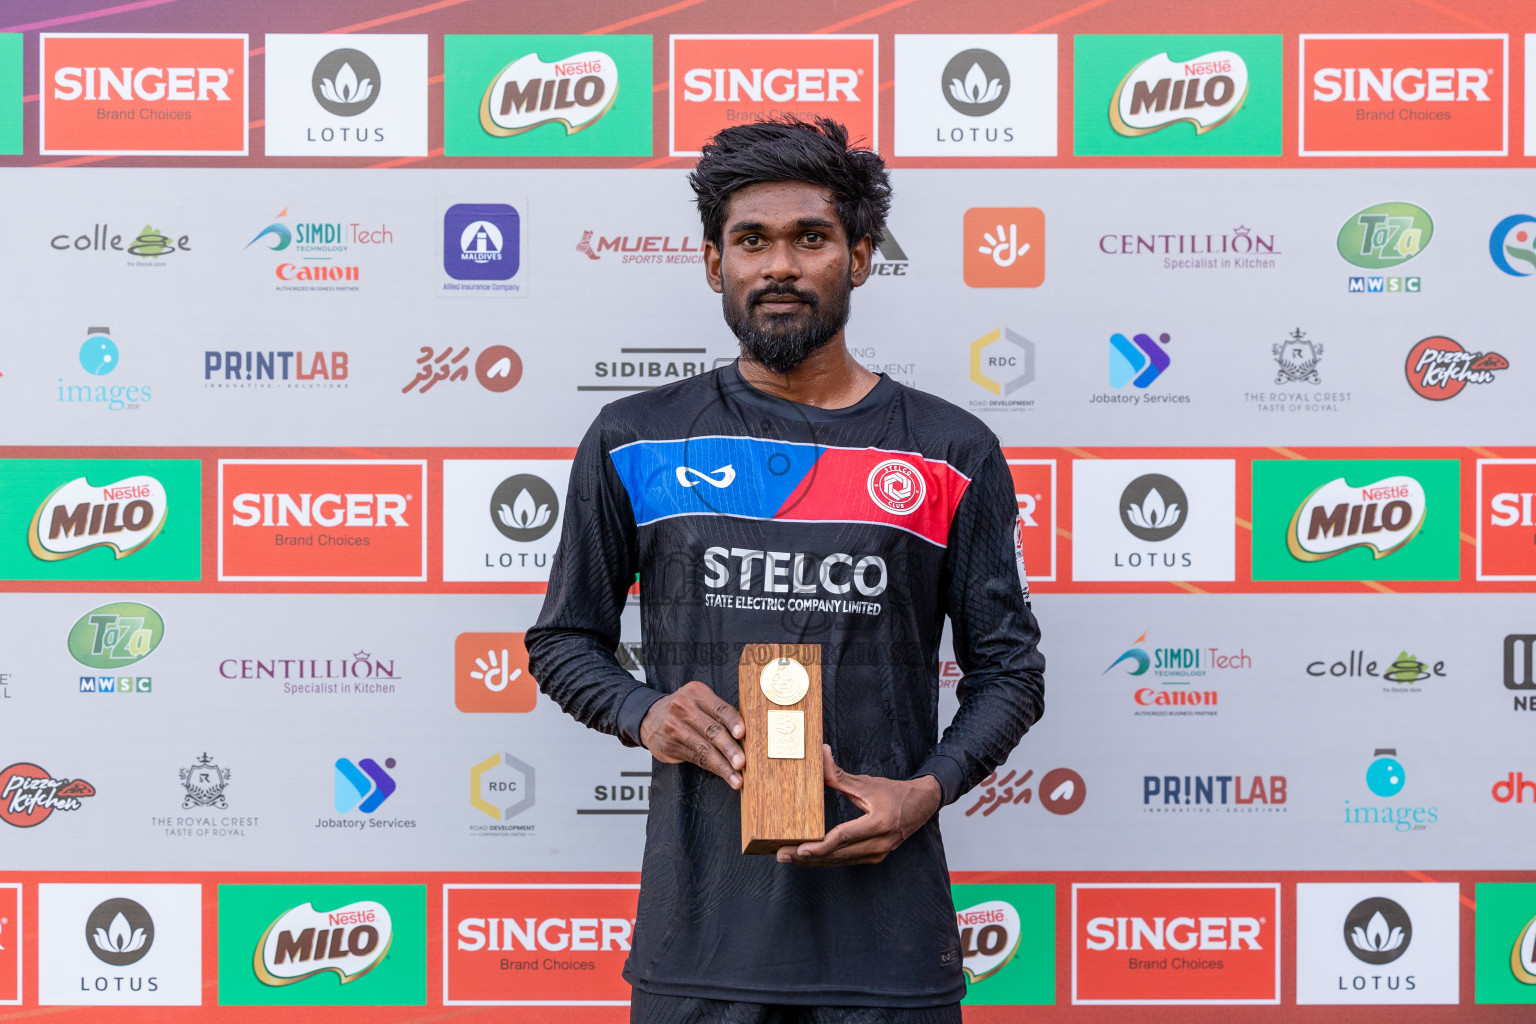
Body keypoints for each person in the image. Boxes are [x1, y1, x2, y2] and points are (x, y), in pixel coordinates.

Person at [526, 117, 1045, 1024]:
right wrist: (644, 711)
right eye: (751, 240)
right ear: (712, 262)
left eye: (810, 238)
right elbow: (564, 640)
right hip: (700, 950)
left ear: (860, 256)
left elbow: (1010, 672)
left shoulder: (949, 449)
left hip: (886, 954)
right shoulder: (635, 438)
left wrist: (926, 789)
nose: (779, 265)